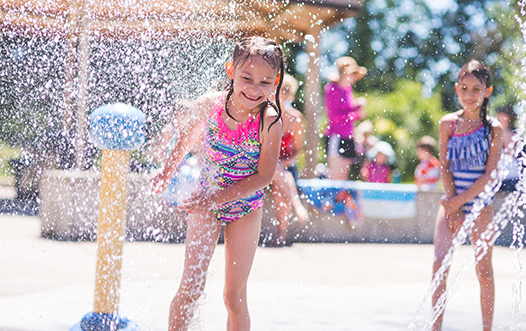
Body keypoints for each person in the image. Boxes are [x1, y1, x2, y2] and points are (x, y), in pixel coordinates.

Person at [150, 36, 285, 331]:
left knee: (233, 297)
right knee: (190, 290)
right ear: (230, 72)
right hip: (206, 201)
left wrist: (214, 200)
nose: (253, 88)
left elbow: (264, 176)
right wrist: (166, 172)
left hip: (245, 208)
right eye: (246, 78)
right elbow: (185, 140)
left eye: (264, 82)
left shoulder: (270, 121)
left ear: (275, 83)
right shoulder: (209, 105)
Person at [432, 60, 503, 331]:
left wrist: (459, 204)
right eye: (464, 88)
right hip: (451, 202)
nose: (469, 94)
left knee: (483, 270)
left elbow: (490, 175)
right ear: (456, 89)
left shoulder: (492, 128)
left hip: (479, 205)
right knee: (440, 263)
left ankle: (487, 328)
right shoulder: (448, 123)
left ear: (487, 91)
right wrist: (452, 207)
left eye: (476, 89)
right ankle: (436, 326)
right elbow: (445, 166)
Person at [269, 74, 309, 247]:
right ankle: (296, 203)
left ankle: (281, 235)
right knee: (278, 170)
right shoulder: (267, 115)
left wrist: (283, 164)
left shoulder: (296, 118)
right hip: (265, 165)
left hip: (285, 167)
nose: (281, 95)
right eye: (279, 91)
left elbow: (298, 150)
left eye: (285, 91)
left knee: (279, 189)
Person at [323, 56, 367, 180]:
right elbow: (334, 117)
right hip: (335, 137)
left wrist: (357, 106)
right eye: (353, 74)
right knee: (335, 177)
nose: (355, 78)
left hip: (348, 137)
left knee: (343, 179)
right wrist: (356, 115)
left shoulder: (348, 89)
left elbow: (346, 110)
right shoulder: (332, 89)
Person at [496, 106, 521, 191]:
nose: (497, 116)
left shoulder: (508, 134)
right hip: (506, 172)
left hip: (509, 172)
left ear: (507, 117)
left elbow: (509, 154)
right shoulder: (505, 132)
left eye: (500, 114)